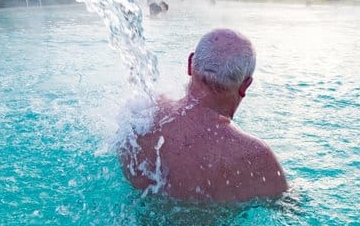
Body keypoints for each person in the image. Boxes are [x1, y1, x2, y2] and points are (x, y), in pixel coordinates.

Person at [119, 29, 288, 202]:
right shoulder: (254, 156)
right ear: (245, 85)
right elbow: (289, 210)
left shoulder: (140, 113)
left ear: (190, 64)